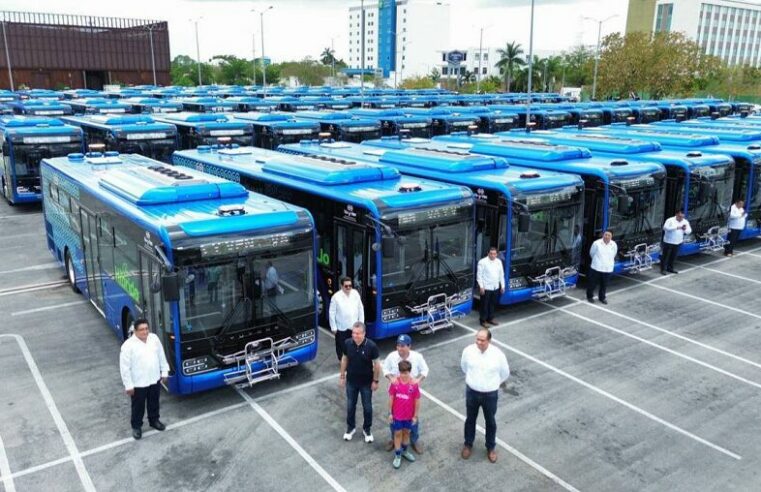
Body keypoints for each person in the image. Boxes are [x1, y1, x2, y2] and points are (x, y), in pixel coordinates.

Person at [460, 328, 510, 464]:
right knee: (470, 419)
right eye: (477, 339)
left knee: (490, 421)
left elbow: (505, 373)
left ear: (489, 340)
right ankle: (468, 444)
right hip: (472, 392)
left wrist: (492, 384)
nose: (479, 342)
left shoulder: (498, 355)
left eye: (482, 340)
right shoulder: (468, 351)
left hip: (490, 394)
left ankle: (490, 447)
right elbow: (464, 367)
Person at [119, 319, 169, 440]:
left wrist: (164, 371)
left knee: (154, 402)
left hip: (154, 378)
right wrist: (128, 385)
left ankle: (154, 420)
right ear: (135, 331)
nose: (145, 331)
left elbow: (161, 356)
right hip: (138, 383)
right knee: (138, 406)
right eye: (141, 329)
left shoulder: (154, 339)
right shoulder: (128, 345)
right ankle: (136, 427)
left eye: (146, 328)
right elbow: (124, 368)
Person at [382, 334, 429, 454]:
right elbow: (385, 368)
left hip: (410, 395)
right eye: (398, 345)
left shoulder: (417, 357)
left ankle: (414, 440)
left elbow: (425, 370)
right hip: (396, 394)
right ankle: (394, 439)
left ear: (409, 346)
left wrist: (417, 381)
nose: (399, 348)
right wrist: (390, 377)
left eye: (402, 346)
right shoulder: (392, 356)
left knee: (413, 418)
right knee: (394, 417)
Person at [339, 322, 381, 443]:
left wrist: (375, 381)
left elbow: (377, 365)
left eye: (357, 333)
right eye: (353, 333)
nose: (355, 335)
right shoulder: (347, 343)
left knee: (367, 407)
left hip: (366, 383)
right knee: (350, 406)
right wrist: (342, 376)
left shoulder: (371, 346)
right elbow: (344, 358)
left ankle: (367, 429)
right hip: (351, 382)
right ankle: (350, 428)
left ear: (364, 333)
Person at [388, 360, 421, 469]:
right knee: (397, 434)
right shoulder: (395, 384)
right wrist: (390, 413)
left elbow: (417, 401)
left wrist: (415, 415)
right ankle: (398, 455)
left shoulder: (414, 385)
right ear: (399, 372)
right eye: (402, 373)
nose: (404, 375)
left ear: (409, 372)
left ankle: (405, 451)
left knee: (406, 433)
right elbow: (391, 399)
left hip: (409, 416)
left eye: (406, 373)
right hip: (397, 416)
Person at [329, 276, 365, 362]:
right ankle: (342, 361)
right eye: (346, 286)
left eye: (350, 285)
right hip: (342, 327)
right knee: (342, 346)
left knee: (356, 344)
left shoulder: (355, 293)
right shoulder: (336, 297)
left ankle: (354, 360)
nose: (348, 287)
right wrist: (333, 327)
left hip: (354, 326)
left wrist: (361, 323)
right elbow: (332, 312)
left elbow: (360, 308)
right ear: (341, 286)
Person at [476, 247, 505, 329]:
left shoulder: (499, 262)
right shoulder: (482, 262)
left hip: (495, 287)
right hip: (486, 287)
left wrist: (502, 286)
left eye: (494, 254)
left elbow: (501, 275)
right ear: (488, 253)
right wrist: (481, 286)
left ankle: (490, 318)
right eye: (491, 253)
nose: (493, 255)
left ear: (497, 254)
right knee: (484, 304)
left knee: (492, 303)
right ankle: (483, 320)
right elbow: (479, 275)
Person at [587, 231, 617, 305]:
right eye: (605, 235)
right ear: (603, 235)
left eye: (609, 235)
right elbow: (592, 253)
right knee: (592, 283)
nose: (607, 236)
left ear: (611, 237)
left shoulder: (613, 244)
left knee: (604, 285)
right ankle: (590, 296)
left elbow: (614, 254)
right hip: (596, 267)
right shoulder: (596, 243)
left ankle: (602, 298)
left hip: (607, 268)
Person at [661, 210, 692, 275]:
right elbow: (665, 228)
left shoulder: (685, 221)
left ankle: (670, 268)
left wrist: (685, 229)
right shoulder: (670, 220)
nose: (681, 218)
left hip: (678, 242)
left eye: (682, 217)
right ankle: (663, 269)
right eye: (680, 216)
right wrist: (677, 227)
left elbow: (689, 231)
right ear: (676, 215)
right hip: (668, 241)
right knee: (665, 256)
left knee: (673, 256)